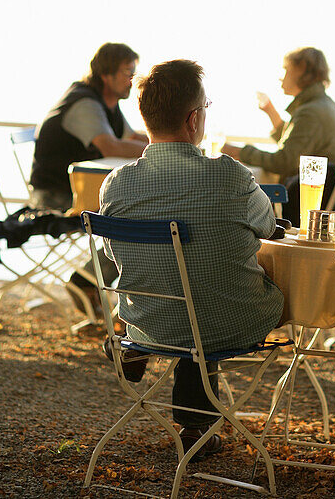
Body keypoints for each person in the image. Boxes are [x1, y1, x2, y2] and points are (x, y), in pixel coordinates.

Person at [100, 59, 284, 459]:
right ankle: (196, 426)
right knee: (218, 299)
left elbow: (116, 256)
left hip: (149, 322)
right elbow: (269, 228)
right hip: (230, 321)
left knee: (185, 295)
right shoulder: (231, 177)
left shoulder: (116, 185)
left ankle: (139, 356)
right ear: (194, 119)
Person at [221, 46, 335, 226]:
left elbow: (285, 162)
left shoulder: (311, 112)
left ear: (301, 71)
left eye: (286, 69)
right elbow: (297, 146)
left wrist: (241, 152)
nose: (281, 76)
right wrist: (271, 112)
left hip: (314, 209)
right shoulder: (323, 106)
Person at [29, 42, 148, 211]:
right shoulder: (85, 104)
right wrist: (161, 151)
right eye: (128, 72)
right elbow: (111, 147)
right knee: (135, 206)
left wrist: (171, 142)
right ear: (106, 74)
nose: (133, 80)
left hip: (77, 189)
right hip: (55, 195)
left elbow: (131, 137)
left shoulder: (107, 102)